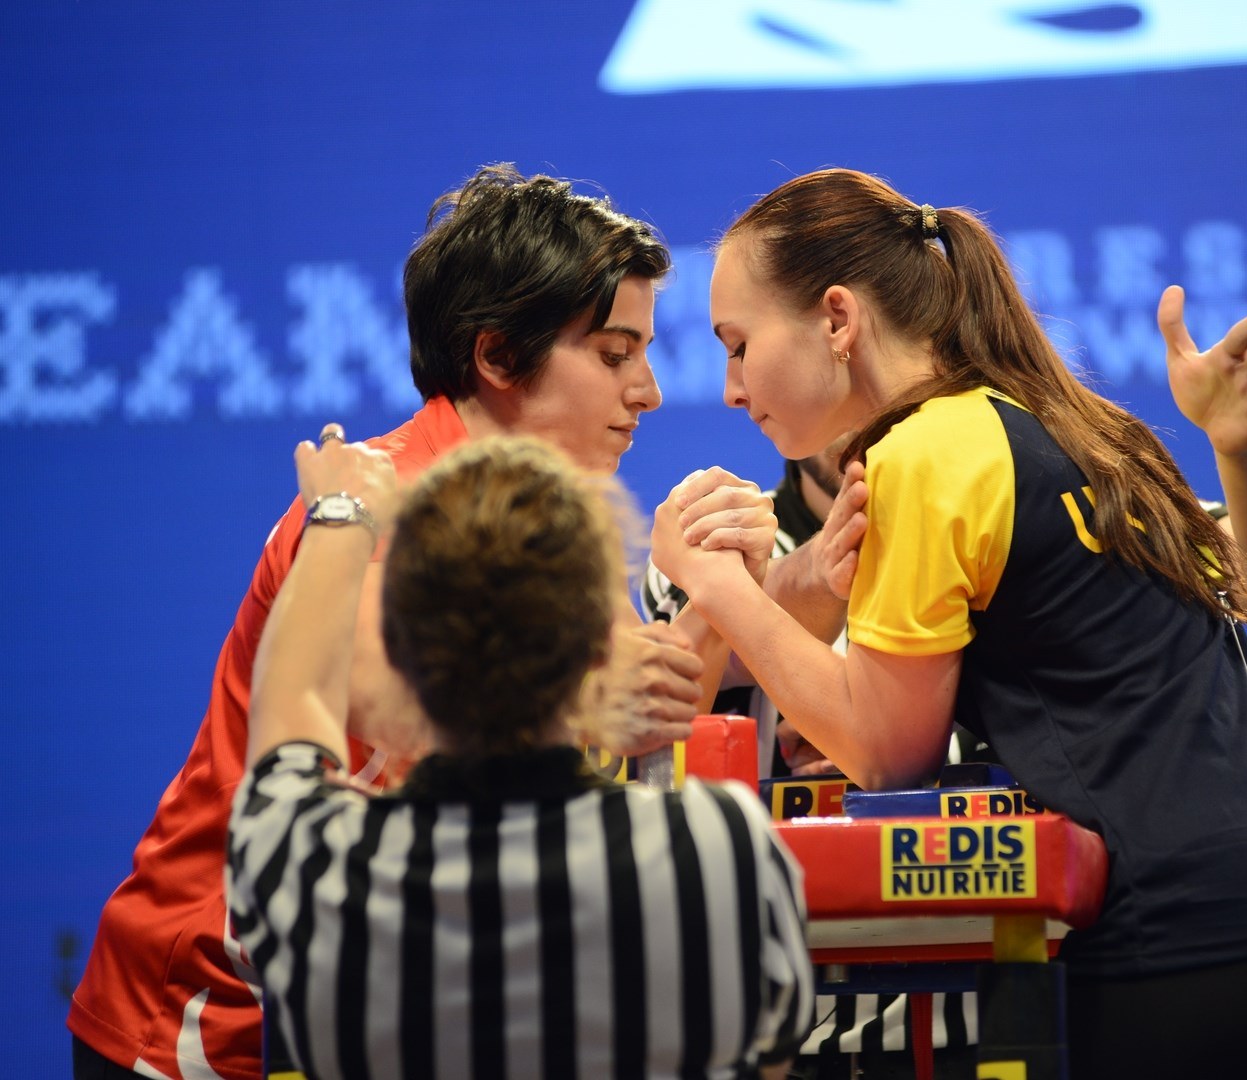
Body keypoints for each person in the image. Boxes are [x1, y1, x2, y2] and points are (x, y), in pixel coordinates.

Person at [651, 169, 1247, 1080]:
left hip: (1169, 956)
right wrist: (1242, 449)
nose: (729, 388)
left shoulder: (922, 450)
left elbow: (888, 752)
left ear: (836, 319)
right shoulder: (1084, 432)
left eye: (737, 344)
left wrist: (719, 589)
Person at [70, 164, 771, 1080]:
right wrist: (592, 700)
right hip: (218, 1023)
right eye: (611, 353)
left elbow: (619, 707)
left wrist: (759, 593)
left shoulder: (554, 518)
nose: (647, 389)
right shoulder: (368, 502)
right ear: (496, 356)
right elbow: (381, 691)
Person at [226, 429, 814, 1078]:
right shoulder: (722, 850)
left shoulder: (315, 870)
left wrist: (341, 512)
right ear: (601, 648)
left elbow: (294, 699)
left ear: (394, 654)